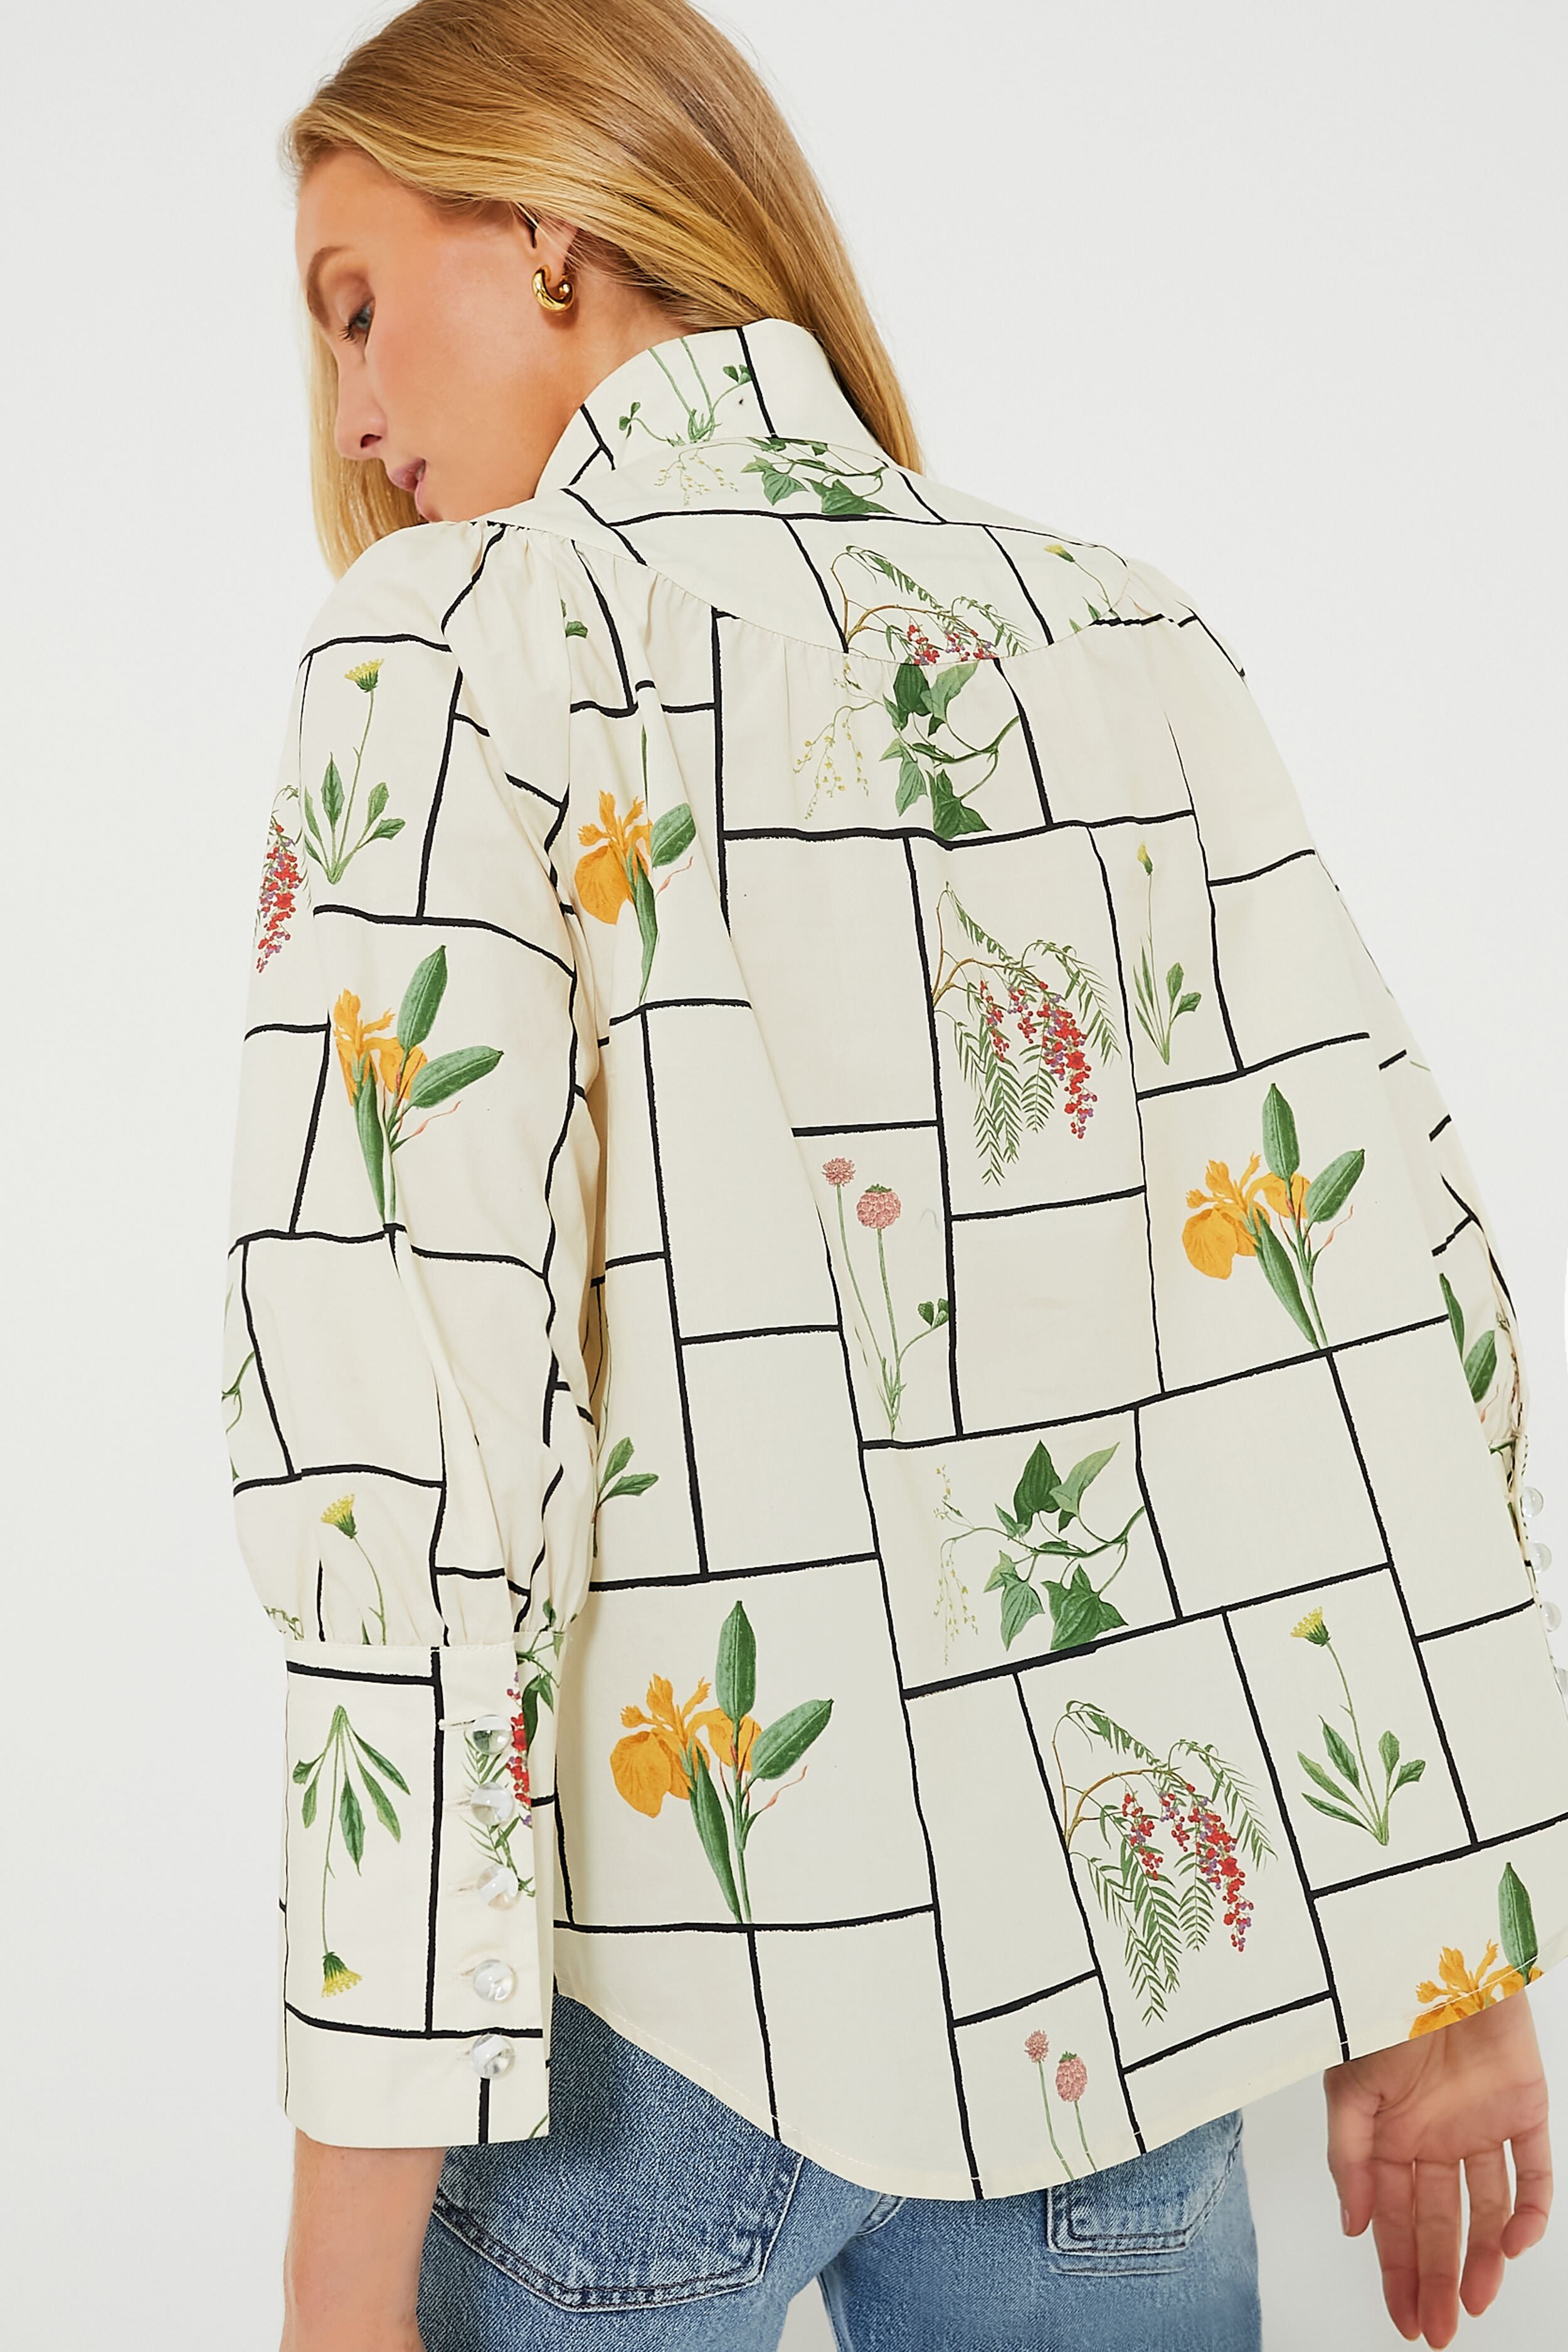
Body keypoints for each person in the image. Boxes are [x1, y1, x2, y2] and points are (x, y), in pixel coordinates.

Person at [220, 4, 1568, 2348]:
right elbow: (1367, 1307)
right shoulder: (1120, 628)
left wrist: (341, 2272)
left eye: (355, 301)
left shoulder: (458, 645)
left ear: (547, 233)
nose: (347, 413)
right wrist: (1432, 1970)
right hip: (1123, 2004)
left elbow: (407, 1459)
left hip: (640, 2044)